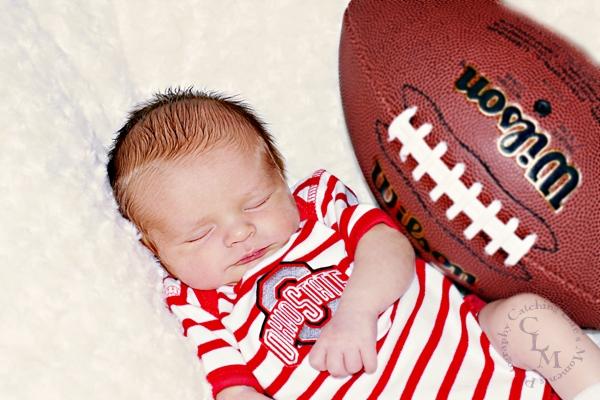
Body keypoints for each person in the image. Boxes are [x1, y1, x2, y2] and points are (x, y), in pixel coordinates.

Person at [107, 88, 600, 400]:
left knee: (527, 318)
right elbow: (234, 389)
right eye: (200, 233)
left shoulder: (318, 205)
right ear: (154, 248)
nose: (239, 232)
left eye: (256, 202)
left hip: (485, 356)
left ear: (282, 179)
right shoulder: (196, 303)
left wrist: (357, 310)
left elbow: (391, 248)